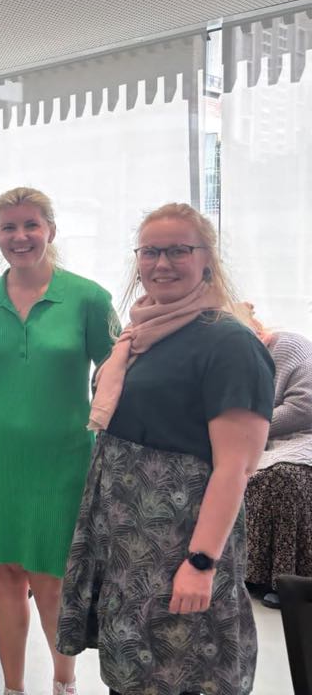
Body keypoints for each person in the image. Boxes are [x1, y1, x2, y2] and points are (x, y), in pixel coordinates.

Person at [56, 203, 274, 695]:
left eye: (178, 250)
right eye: (150, 251)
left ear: (207, 259)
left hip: (181, 540)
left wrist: (201, 563)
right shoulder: (138, 334)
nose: (162, 263)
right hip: (128, 540)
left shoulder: (230, 344)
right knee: (133, 671)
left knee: (184, 669)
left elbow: (235, 469)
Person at [0, 187, 117, 695]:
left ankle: (64, 682)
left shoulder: (88, 298)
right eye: (8, 227)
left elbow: (116, 375)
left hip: (63, 459)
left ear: (50, 230)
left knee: (50, 577)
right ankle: (13, 687)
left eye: (30, 225)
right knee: (4, 573)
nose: (19, 237)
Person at [242, 312, 312, 609]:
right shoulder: (222, 364)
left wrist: (248, 428)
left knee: (282, 477)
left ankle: (286, 578)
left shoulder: (288, 347)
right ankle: (250, 573)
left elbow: (303, 406)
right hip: (255, 442)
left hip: (301, 436)